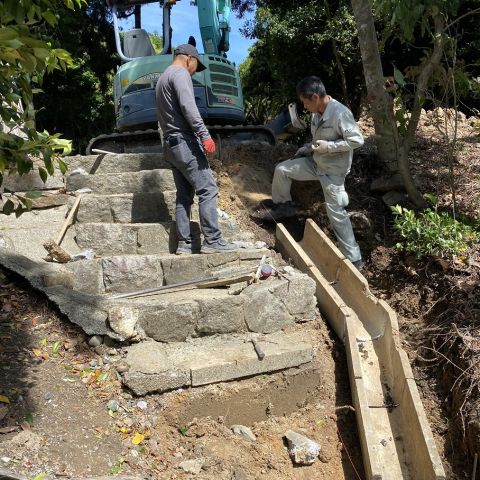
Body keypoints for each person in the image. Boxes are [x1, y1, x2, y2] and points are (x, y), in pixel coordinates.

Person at [261, 76, 364, 269]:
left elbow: (357, 141)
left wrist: (329, 146)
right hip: (316, 162)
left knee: (336, 213)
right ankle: (284, 207)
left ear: (315, 97)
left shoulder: (340, 113)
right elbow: (319, 140)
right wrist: (309, 148)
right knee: (282, 169)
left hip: (333, 171)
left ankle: (354, 258)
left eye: (305, 102)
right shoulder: (316, 114)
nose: (305, 107)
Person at [155, 44, 239, 254]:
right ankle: (213, 241)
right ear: (189, 59)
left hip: (170, 144)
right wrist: (205, 135)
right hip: (184, 142)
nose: (194, 71)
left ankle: (184, 243)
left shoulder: (163, 77)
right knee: (208, 188)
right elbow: (188, 107)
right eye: (195, 66)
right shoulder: (181, 74)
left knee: (184, 195)